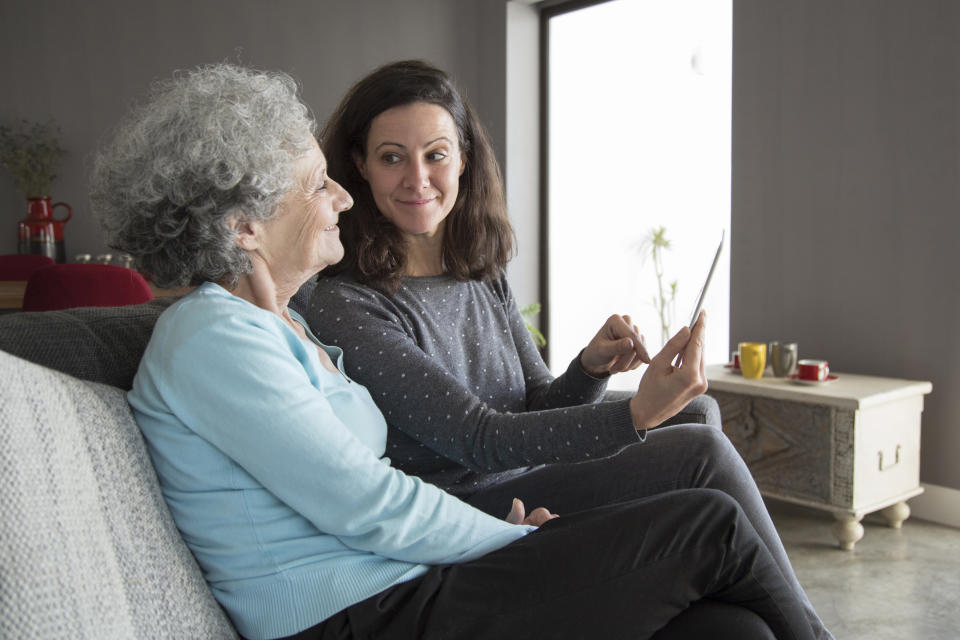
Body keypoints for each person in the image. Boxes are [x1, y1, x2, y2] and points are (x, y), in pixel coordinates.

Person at [90, 62, 827, 640]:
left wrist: (586, 378)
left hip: (402, 578)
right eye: (320, 185)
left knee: (735, 629)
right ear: (244, 225)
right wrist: (502, 539)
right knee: (710, 522)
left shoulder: (283, 324)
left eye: (438, 154)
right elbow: (370, 503)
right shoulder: (213, 340)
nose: (342, 198)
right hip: (357, 615)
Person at [306, 60, 832, 639]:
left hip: (527, 471)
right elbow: (481, 440)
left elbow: (534, 402)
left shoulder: (479, 273)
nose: (417, 178)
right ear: (358, 165)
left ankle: (737, 601)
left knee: (699, 414)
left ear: (464, 159)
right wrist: (636, 414)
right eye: (391, 157)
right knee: (699, 451)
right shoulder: (350, 303)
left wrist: (588, 368)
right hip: (472, 504)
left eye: (435, 154)